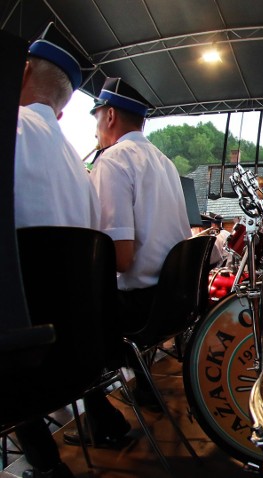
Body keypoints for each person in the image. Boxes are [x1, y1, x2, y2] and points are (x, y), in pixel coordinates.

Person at [62, 77, 191, 448]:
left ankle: (104, 423)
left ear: (110, 115)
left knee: (66, 312)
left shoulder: (114, 161)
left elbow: (120, 258)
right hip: (167, 305)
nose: (97, 126)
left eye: (97, 117)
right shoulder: (165, 163)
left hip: (136, 310)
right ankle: (144, 390)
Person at [11, 23, 98, 478]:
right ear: (62, 112)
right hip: (71, 357)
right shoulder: (80, 170)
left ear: (20, 70)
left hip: (17, 355)